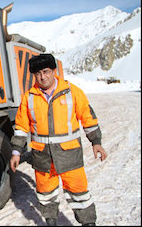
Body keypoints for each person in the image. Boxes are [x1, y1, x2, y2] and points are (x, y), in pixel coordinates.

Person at [10, 54, 107, 226]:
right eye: (38, 73)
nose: (42, 76)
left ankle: (88, 223)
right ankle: (51, 222)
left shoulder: (72, 92)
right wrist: (16, 151)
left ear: (54, 71)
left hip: (69, 156)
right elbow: (21, 127)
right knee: (46, 195)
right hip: (43, 159)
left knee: (79, 193)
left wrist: (96, 142)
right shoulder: (28, 98)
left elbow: (88, 119)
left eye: (46, 71)